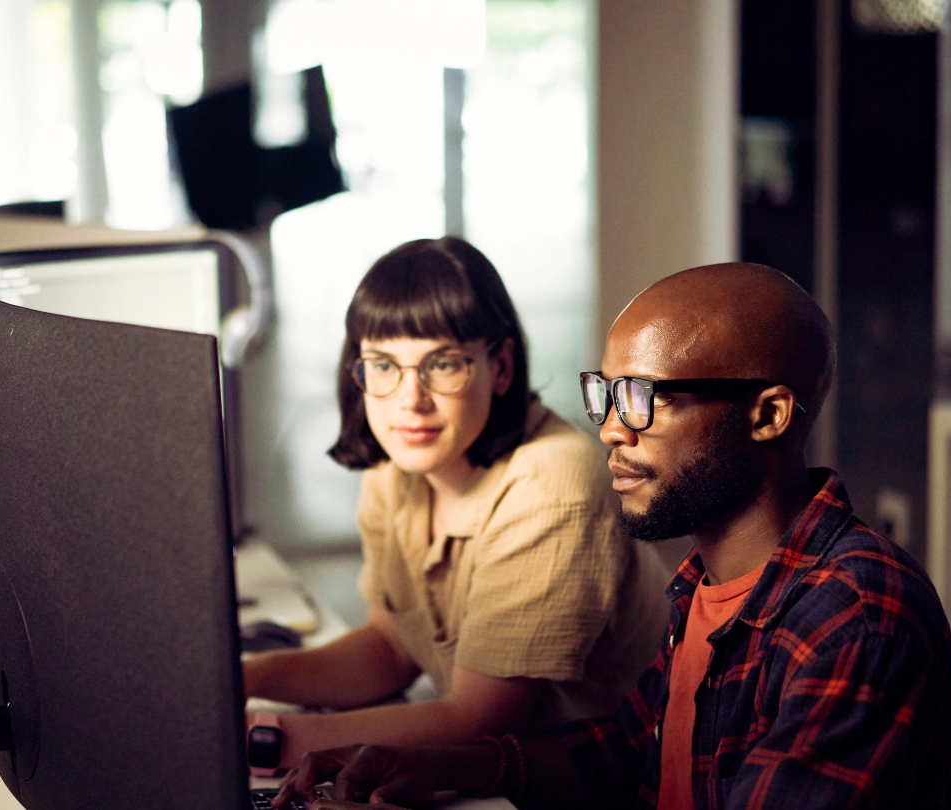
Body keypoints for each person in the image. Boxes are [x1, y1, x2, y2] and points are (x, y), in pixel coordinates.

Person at [274, 263, 951, 810]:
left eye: (641, 398)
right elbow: (634, 748)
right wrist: (442, 766)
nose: (608, 429)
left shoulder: (856, 618)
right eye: (605, 394)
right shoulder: (706, 579)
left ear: (768, 414)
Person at [240, 237, 669, 773]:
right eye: (383, 365)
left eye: (442, 365)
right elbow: (391, 648)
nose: (409, 399)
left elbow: (480, 718)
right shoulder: (400, 462)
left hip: (587, 785)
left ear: (502, 366)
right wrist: (248, 677)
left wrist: (276, 738)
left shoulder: (553, 481)